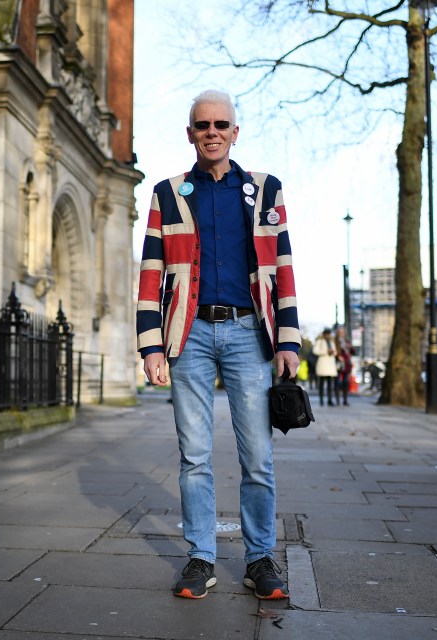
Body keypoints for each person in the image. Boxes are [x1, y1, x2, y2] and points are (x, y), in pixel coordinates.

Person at [136, 89, 300, 601]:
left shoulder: (264, 190)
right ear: (191, 133)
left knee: (258, 457)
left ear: (235, 131)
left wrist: (288, 340)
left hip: (251, 334)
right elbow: (151, 273)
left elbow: (284, 269)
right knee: (195, 457)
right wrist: (150, 345)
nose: (212, 132)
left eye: (221, 124)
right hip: (189, 334)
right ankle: (200, 557)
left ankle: (259, 559)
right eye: (202, 125)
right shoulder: (169, 193)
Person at [312, 328, 337, 406]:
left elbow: (335, 352)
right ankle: (321, 400)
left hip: (330, 365)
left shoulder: (332, 341)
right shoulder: (320, 341)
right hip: (323, 364)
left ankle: (329, 400)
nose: (328, 335)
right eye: (327, 333)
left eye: (329, 334)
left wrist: (333, 352)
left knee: (330, 384)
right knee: (321, 384)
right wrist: (326, 352)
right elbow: (315, 351)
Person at [334, 326, 352, 406]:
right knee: (337, 382)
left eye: (342, 332)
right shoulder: (335, 341)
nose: (341, 334)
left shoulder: (346, 341)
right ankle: (337, 400)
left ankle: (345, 400)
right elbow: (334, 351)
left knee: (345, 382)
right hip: (337, 363)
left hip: (346, 364)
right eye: (340, 332)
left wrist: (349, 347)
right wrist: (338, 356)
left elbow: (352, 351)